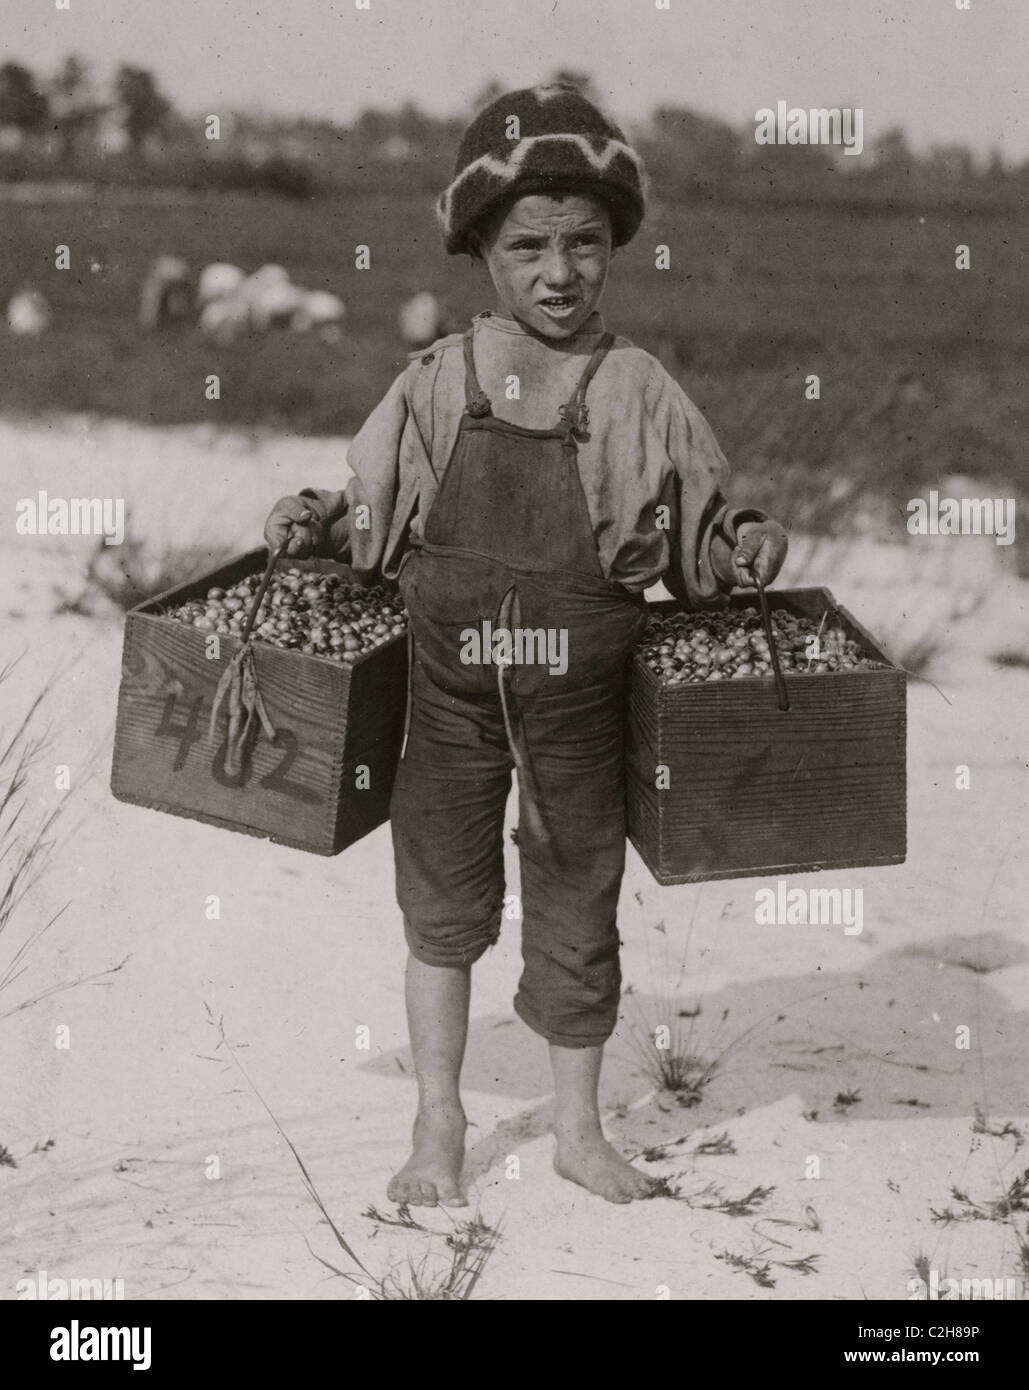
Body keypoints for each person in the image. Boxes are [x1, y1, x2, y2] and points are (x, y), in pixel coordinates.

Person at [264, 84, 788, 1205]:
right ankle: (438, 1122)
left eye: (585, 245)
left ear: (615, 249)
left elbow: (701, 536)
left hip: (581, 710)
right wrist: (312, 517)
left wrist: (744, 543)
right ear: (482, 253)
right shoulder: (442, 379)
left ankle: (582, 1132)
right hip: (447, 703)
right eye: (529, 247)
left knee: (578, 902)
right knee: (441, 909)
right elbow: (372, 508)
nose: (559, 273)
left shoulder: (639, 389)